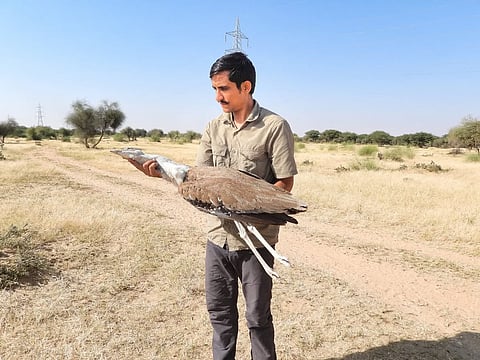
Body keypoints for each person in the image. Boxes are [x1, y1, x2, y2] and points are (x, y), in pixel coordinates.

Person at [130, 52, 298, 360]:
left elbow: (285, 186)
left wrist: (249, 203)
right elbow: (199, 180)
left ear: (245, 86)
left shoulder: (274, 126)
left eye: (224, 89)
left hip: (255, 242)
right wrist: (161, 174)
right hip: (217, 238)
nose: (217, 96)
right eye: (214, 90)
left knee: (258, 318)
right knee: (220, 314)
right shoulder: (212, 127)